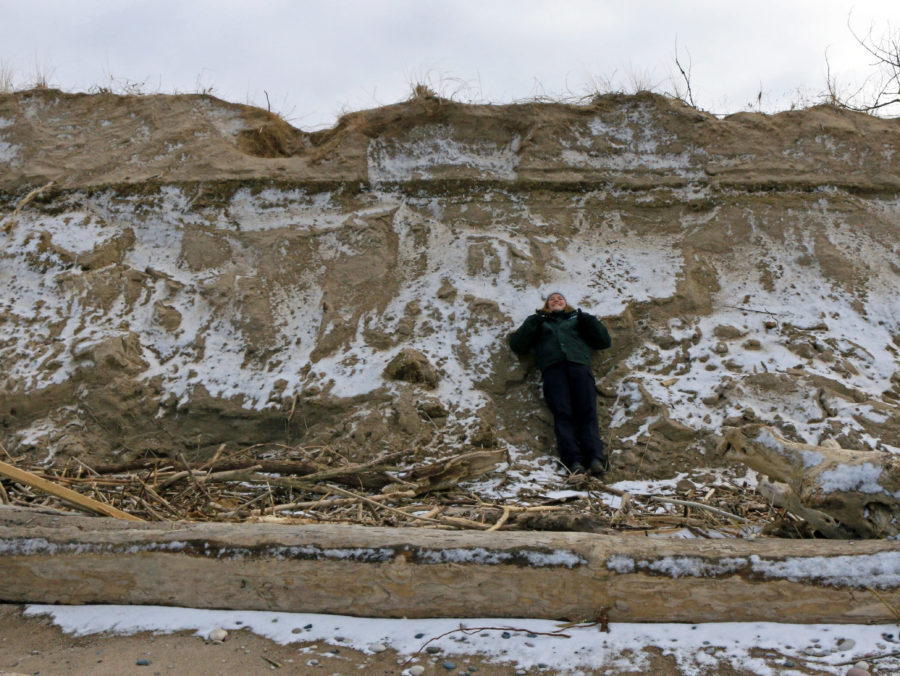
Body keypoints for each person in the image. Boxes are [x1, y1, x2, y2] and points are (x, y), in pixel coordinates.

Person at [509, 292, 612, 475]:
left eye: (560, 298)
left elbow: (604, 342)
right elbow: (518, 345)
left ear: (566, 304)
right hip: (554, 370)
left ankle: (595, 459)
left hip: (579, 367)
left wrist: (587, 319)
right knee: (563, 415)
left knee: (587, 412)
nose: (556, 300)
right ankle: (573, 461)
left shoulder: (577, 320)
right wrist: (534, 321)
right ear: (546, 305)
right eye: (552, 299)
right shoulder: (540, 322)